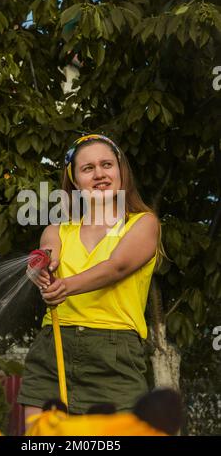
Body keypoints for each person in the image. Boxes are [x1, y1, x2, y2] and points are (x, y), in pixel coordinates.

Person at [18, 134, 164, 426]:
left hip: (114, 354)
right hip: (54, 348)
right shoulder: (57, 229)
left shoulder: (144, 223)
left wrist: (65, 287)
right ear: (74, 180)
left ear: (121, 172)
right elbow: (47, 253)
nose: (99, 174)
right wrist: (39, 267)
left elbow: (117, 267)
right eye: (88, 168)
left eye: (107, 164)